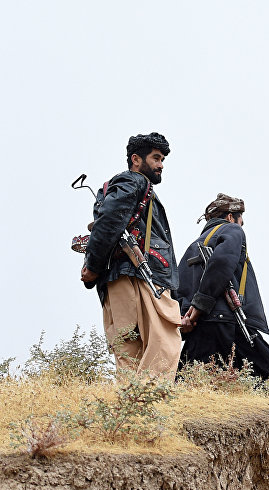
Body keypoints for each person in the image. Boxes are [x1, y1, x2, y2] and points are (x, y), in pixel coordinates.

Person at [81, 132, 182, 379]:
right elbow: (109, 220)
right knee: (164, 344)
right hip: (141, 277)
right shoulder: (134, 181)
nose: (160, 165)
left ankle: (131, 401)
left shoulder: (123, 185)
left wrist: (93, 266)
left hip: (118, 278)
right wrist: (93, 265)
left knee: (128, 352)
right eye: (156, 158)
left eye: (162, 160)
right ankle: (150, 399)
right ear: (136, 159)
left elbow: (106, 222)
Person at [176, 194, 269, 387]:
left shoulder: (192, 246)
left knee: (188, 384)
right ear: (230, 217)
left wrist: (186, 317)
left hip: (199, 328)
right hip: (228, 322)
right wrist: (201, 303)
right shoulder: (232, 230)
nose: (241, 224)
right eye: (240, 219)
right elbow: (222, 261)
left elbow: (179, 290)